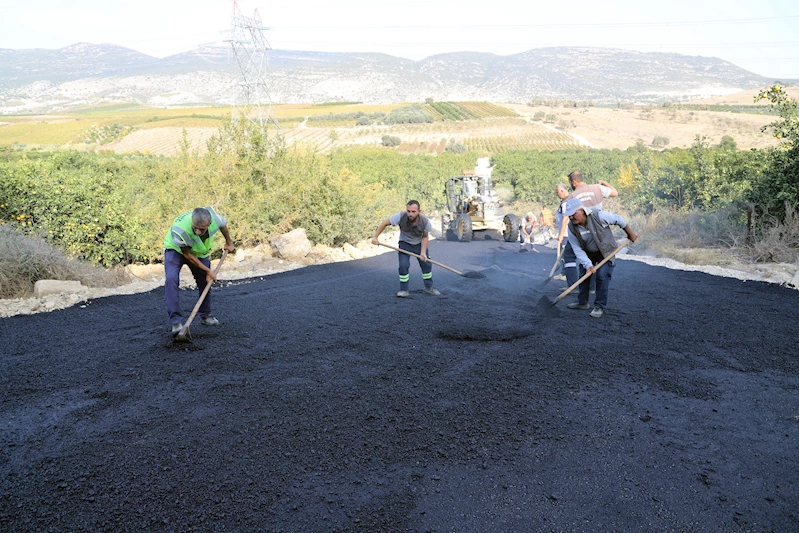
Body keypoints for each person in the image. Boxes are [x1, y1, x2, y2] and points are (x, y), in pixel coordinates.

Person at [163, 206, 235, 335]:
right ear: (192, 220)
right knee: (171, 279)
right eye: (195, 227)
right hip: (176, 250)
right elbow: (187, 255)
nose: (197, 231)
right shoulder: (180, 228)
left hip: (199, 252)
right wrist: (208, 270)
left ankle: (205, 315)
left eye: (201, 229)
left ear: (209, 224)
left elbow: (223, 225)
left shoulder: (216, 219)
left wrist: (229, 242)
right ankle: (176, 323)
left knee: (205, 281)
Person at [562, 198, 638, 318]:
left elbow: (619, 219)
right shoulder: (571, 227)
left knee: (602, 276)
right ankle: (582, 303)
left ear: (582, 210)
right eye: (569, 216)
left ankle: (599, 306)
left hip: (605, 251)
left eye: (573, 214)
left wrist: (630, 234)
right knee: (584, 275)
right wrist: (588, 265)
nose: (571, 218)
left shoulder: (599, 216)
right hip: (588, 253)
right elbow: (577, 249)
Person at [372, 200, 441, 298]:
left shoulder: (425, 222)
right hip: (405, 244)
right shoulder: (400, 216)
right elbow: (384, 223)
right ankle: (404, 290)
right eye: (408, 211)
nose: (410, 214)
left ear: (419, 211)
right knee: (403, 265)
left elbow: (425, 237)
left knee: (426, 264)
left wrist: (423, 253)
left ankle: (428, 288)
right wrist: (375, 237)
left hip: (419, 244)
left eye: (413, 212)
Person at [553, 183, 579, 287]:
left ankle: (566, 275)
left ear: (562, 191)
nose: (557, 194)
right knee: (567, 256)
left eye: (557, 192)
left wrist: (561, 234)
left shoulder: (567, 203)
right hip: (568, 233)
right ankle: (565, 273)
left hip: (568, 234)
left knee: (568, 256)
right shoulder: (569, 200)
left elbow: (565, 219)